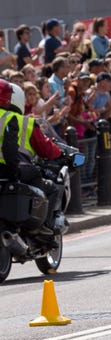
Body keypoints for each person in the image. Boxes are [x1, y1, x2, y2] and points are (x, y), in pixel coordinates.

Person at [0, 81, 63, 239]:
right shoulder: (24, 121)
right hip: (11, 169)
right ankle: (40, 227)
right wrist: (60, 152)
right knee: (47, 184)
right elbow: (46, 148)